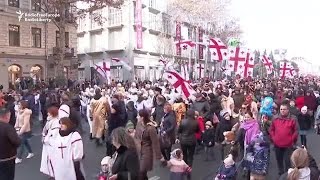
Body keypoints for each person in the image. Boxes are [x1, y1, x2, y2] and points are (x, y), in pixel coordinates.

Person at [269, 102, 298, 176]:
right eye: (281, 109)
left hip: (288, 145)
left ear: (288, 110)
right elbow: (271, 129)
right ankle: (281, 174)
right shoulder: (275, 118)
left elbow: (296, 131)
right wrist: (274, 138)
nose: (282, 111)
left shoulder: (293, 118)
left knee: (287, 161)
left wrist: (292, 139)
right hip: (277, 144)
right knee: (279, 160)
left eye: (284, 109)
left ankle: (287, 175)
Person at [136, 109, 162, 180]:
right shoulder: (138, 124)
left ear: (142, 117)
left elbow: (155, 142)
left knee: (141, 171)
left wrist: (159, 156)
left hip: (147, 152)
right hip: (139, 151)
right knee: (142, 173)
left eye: (138, 116)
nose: (137, 117)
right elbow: (136, 136)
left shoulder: (151, 128)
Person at [0, 102, 21, 180]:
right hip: (8, 158)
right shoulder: (8, 127)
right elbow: (16, 141)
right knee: (8, 177)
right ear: (6, 116)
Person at [40, 105, 60, 177]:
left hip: (51, 146)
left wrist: (45, 139)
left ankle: (54, 175)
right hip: (48, 145)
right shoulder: (50, 121)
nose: (47, 114)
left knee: (52, 161)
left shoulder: (56, 123)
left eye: (49, 112)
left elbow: (53, 135)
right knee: (49, 161)